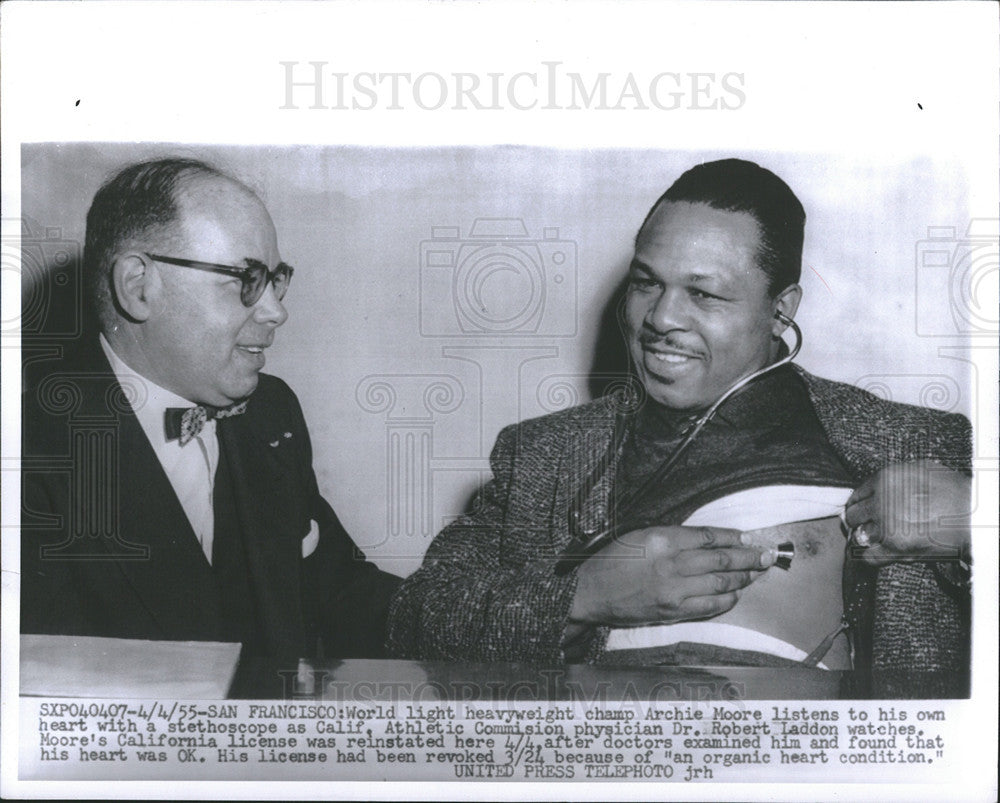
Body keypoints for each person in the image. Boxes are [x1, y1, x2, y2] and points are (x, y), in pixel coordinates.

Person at [387, 159, 972, 695]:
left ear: (781, 310)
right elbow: (413, 619)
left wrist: (977, 520)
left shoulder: (919, 446)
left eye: (703, 292)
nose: (661, 318)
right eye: (647, 283)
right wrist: (583, 598)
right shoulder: (545, 454)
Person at [21, 158, 400, 681]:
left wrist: (521, 620)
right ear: (138, 287)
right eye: (246, 278)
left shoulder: (270, 412)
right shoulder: (27, 452)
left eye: (274, 280)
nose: (275, 312)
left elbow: (342, 592)